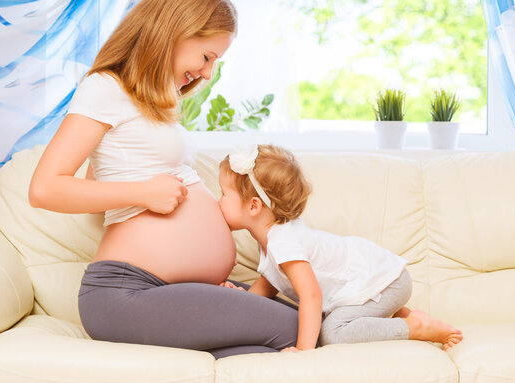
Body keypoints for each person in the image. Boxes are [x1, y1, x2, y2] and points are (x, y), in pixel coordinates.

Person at [28, 0, 299, 359]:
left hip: (168, 291)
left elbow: (103, 176)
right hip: (127, 293)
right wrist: (143, 193)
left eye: (215, 62)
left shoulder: (155, 101)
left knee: (305, 317)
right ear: (175, 30)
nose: (207, 73)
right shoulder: (105, 87)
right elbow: (44, 188)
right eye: (206, 57)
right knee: (298, 327)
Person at [217, 144, 464, 352]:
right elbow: (270, 284)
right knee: (332, 321)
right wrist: (239, 299)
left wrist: (304, 352)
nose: (218, 201)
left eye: (224, 194)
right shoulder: (274, 238)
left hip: (387, 280)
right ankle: (400, 316)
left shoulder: (284, 242)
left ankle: (414, 327)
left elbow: (311, 296)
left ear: (253, 206)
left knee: (332, 333)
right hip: (376, 278)